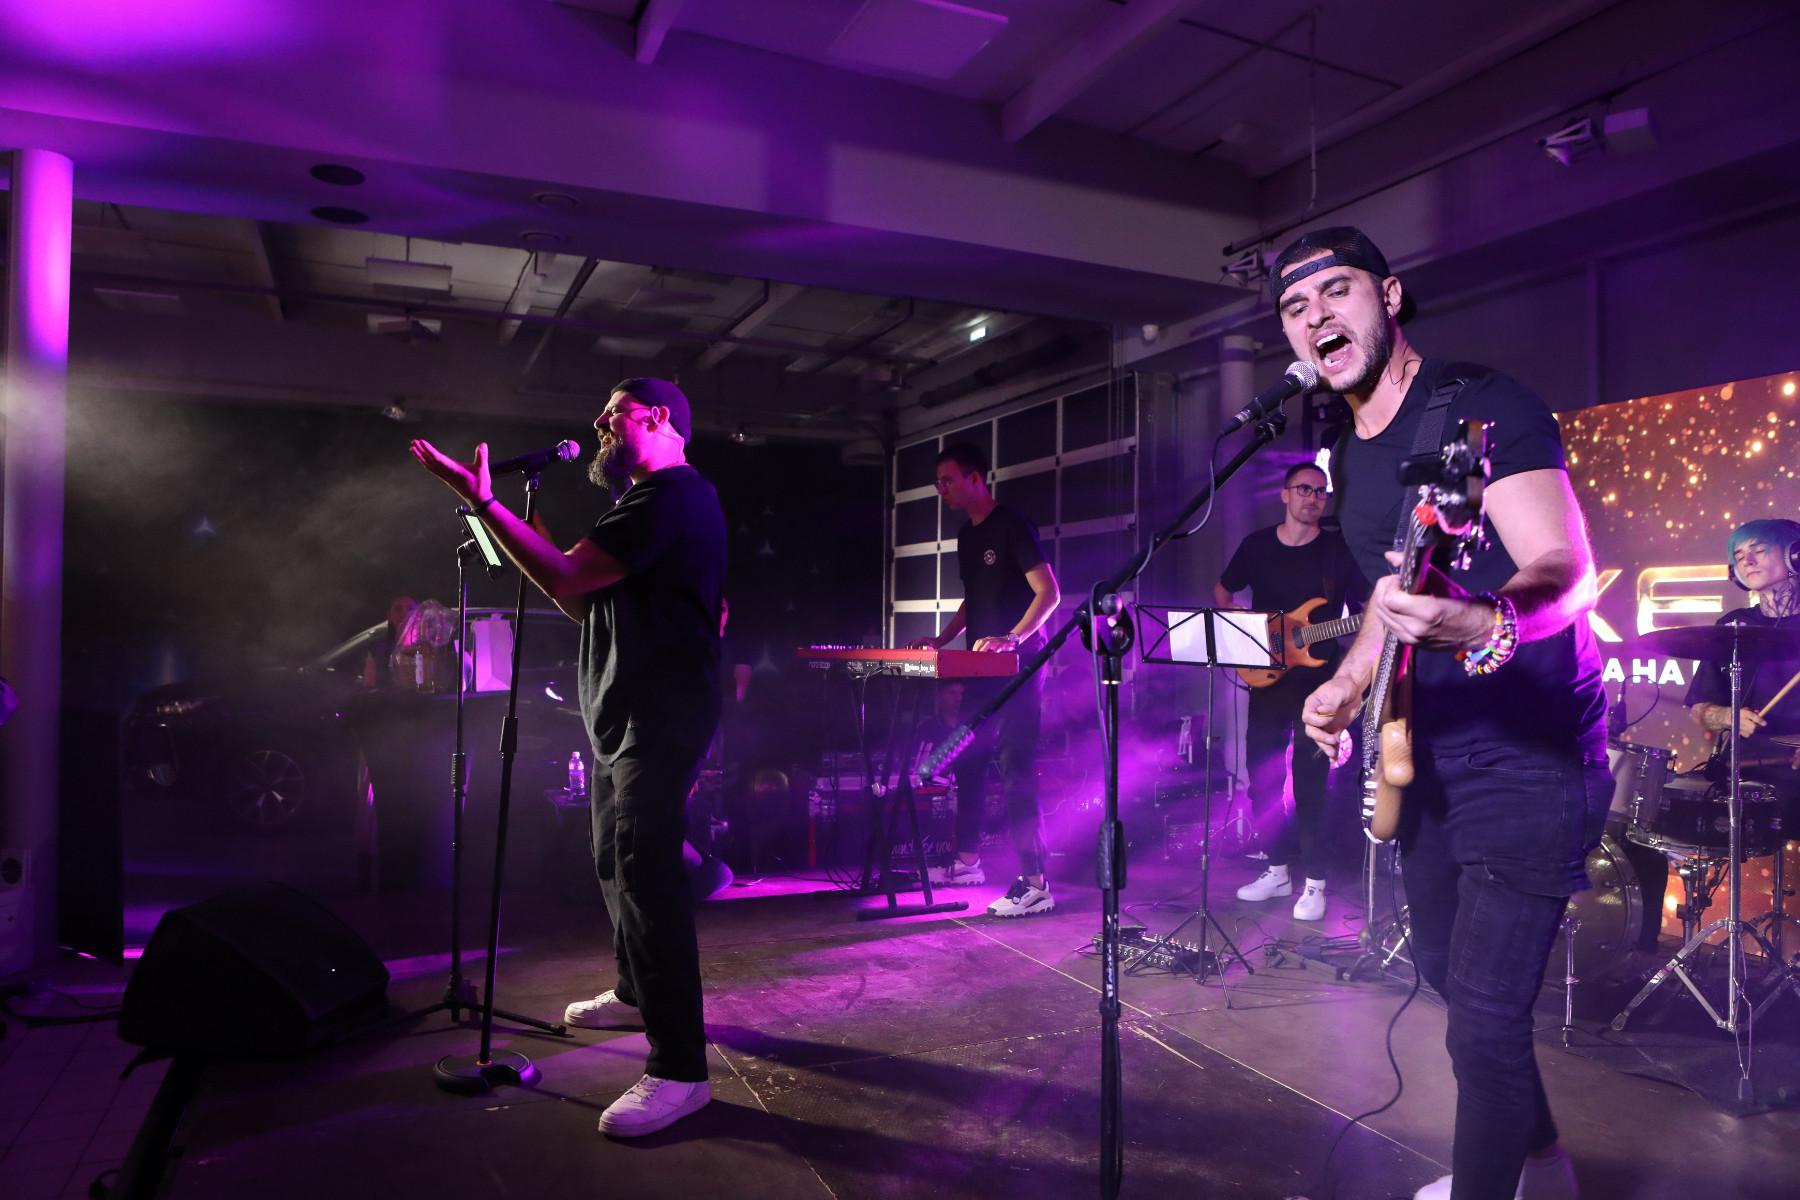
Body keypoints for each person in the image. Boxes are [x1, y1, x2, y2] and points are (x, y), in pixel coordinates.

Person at [1286, 228, 1608, 1200]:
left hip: (1530, 752)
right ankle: (1543, 1168)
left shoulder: (1482, 408)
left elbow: (1565, 569)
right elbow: (1389, 600)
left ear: (1389, 298)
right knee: (1442, 971)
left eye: (1337, 291)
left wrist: (1484, 619)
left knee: (1484, 1022)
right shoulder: (1348, 457)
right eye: (1295, 307)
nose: (1316, 315)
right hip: (1429, 751)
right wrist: (1350, 683)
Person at [411, 376, 725, 1139]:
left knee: (646, 875)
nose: (600, 422)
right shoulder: (642, 503)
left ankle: (681, 1070)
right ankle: (635, 993)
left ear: (658, 416)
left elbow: (569, 573)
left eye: (613, 412)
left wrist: (485, 504)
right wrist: (519, 533)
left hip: (660, 714)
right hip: (623, 710)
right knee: (613, 860)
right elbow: (577, 597)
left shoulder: (672, 496)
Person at [914, 442, 1061, 917]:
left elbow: (1049, 593)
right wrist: (942, 638)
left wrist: (1012, 638)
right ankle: (967, 862)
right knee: (969, 759)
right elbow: (974, 598)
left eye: (948, 480)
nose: (942, 489)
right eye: (938, 482)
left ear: (975, 479)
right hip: (981, 667)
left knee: (1015, 768)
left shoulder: (1012, 524)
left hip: (1019, 665)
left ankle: (1037, 883)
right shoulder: (966, 535)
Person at [1215, 461, 1359, 921]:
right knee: (1262, 780)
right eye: (1304, 489)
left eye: (1320, 491)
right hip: (1267, 681)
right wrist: (1244, 630)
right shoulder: (1256, 546)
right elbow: (1223, 591)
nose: (1313, 498)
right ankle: (1277, 871)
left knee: (1311, 784)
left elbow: (1366, 610)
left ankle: (1315, 883)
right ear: (1284, 494)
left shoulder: (1337, 551)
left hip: (1321, 686)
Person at [1684, 518, 1800, 814]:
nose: (1747, 561)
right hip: (1744, 772)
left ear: (1794, 555)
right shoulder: (1733, 626)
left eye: (1759, 550)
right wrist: (1728, 715)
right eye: (1738, 556)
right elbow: (1700, 708)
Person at [361, 595, 417, 689]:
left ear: (419, 615)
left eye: (410, 609)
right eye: (398, 609)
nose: (404, 614)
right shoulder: (378, 649)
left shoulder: (428, 648)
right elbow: (369, 685)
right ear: (389, 616)